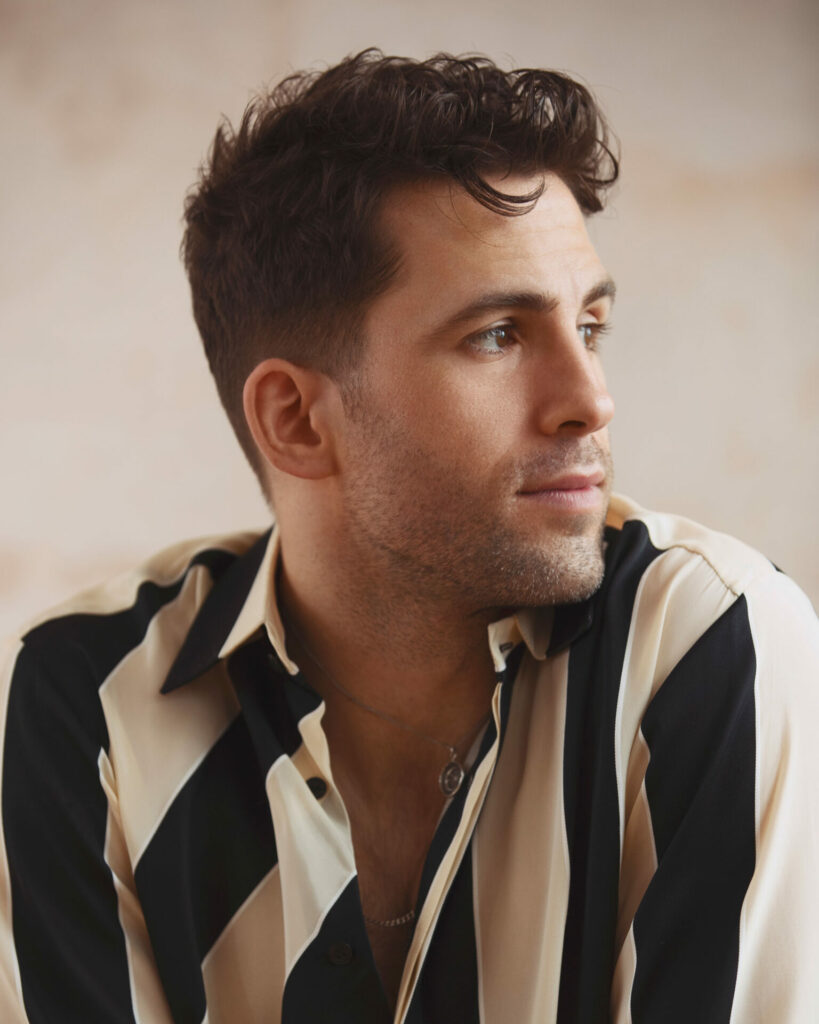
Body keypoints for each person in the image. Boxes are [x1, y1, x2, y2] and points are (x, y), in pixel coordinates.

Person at [1, 49, 816, 1024]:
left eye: (588, 325)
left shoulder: (705, 645)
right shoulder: (92, 699)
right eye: (497, 336)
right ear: (298, 420)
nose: (590, 400)